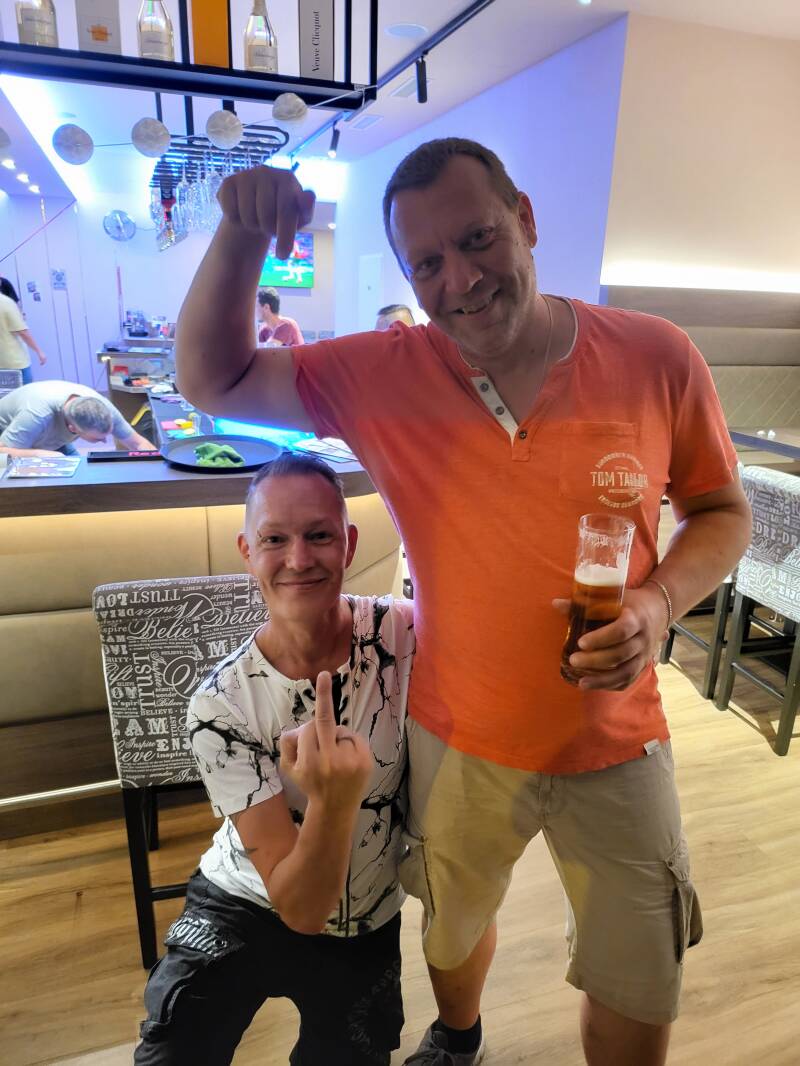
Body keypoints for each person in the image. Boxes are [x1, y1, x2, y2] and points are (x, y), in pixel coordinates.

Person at [175, 138, 752, 1066]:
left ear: (525, 219)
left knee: (639, 973)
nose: (462, 280)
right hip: (456, 733)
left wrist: (656, 603)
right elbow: (213, 380)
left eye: (478, 239)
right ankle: (459, 1037)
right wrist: (241, 234)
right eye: (428, 263)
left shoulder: (656, 355)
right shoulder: (383, 371)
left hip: (617, 733)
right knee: (450, 925)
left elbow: (721, 512)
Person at [134, 453, 415, 1066]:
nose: (299, 558)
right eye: (274, 539)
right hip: (244, 898)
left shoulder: (401, 635)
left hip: (364, 916)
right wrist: (334, 800)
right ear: (247, 550)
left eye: (319, 535)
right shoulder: (220, 704)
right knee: (174, 1047)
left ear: (350, 543)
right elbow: (301, 907)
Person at [0, 379, 156, 457]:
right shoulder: (37, 415)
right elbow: (2, 453)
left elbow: (139, 443)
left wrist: (156, 467)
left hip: (48, 435)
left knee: (79, 475)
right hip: (10, 438)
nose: (104, 442)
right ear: (73, 429)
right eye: (97, 439)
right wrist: (41, 454)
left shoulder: (104, 409)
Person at [0, 276, 46, 386]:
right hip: (13, 364)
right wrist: (39, 351)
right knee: (24, 393)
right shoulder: (6, 303)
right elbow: (22, 332)